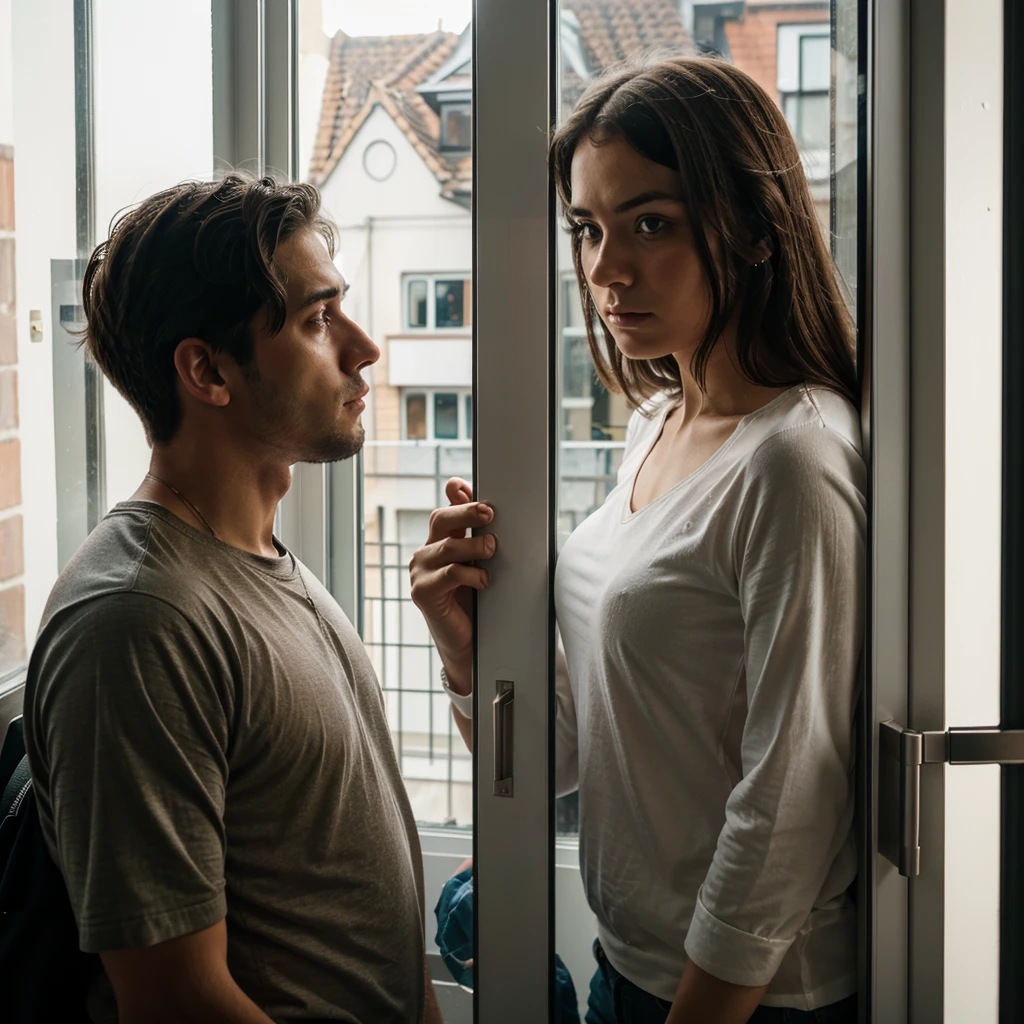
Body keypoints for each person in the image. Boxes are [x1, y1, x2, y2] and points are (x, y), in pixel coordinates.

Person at [409, 55, 864, 1024]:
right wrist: (463, 650)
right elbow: (571, 756)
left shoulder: (796, 460)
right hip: (634, 968)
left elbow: (791, 796)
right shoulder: (653, 425)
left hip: (750, 998)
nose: (606, 268)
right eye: (587, 228)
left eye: (649, 224)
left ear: (745, 228)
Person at [24, 174, 444, 1024]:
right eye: (319, 320)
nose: (364, 349)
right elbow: (177, 1000)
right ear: (206, 370)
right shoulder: (137, 620)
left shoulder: (255, 557)